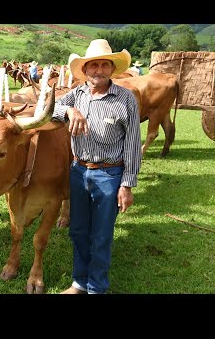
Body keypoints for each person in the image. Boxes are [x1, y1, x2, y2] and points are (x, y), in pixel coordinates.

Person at [51, 39, 142, 294]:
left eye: (104, 65)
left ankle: (96, 288)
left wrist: (127, 184)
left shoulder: (125, 99)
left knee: (101, 236)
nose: (98, 70)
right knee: (78, 231)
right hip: (79, 172)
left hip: (110, 174)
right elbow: (50, 110)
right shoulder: (77, 94)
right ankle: (79, 283)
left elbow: (133, 144)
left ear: (112, 69)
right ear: (85, 69)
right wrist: (70, 111)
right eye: (93, 66)